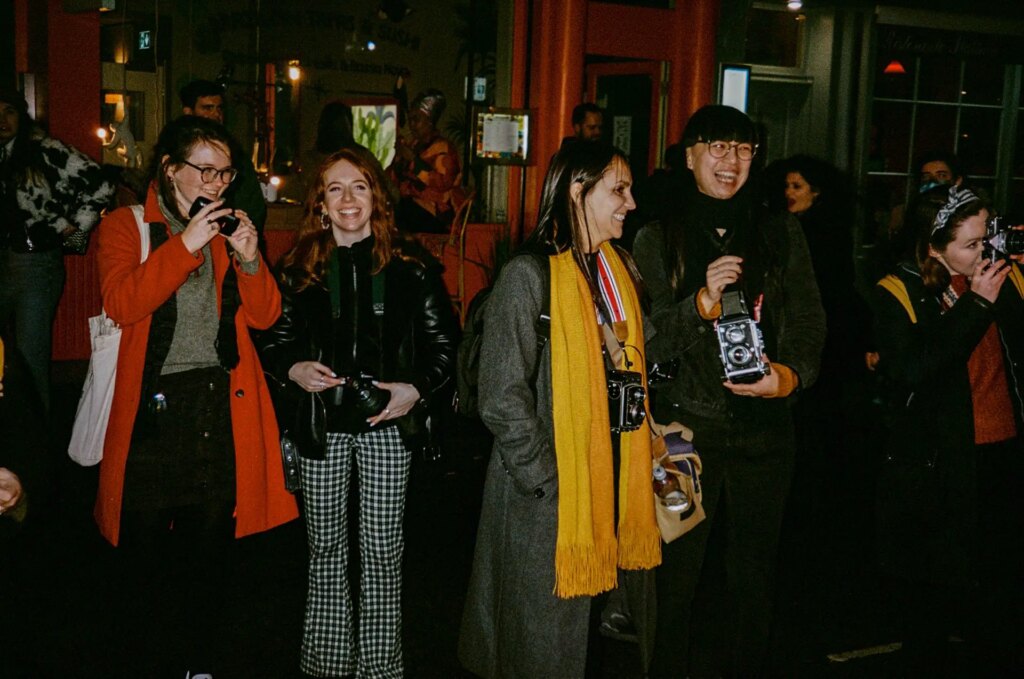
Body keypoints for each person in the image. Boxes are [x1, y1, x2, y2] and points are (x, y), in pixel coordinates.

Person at [94, 115, 298, 674]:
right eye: (204, 170)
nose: (216, 185)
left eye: (225, 173)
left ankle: (198, 662)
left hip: (217, 401)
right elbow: (122, 302)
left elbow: (264, 316)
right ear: (169, 169)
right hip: (150, 408)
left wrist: (252, 258)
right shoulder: (126, 226)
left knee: (209, 549)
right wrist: (186, 243)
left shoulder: (229, 228)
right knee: (142, 552)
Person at [632, 105, 825, 677]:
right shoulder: (654, 238)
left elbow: (811, 322)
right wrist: (699, 304)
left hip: (766, 434)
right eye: (717, 147)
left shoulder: (780, 231)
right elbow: (645, 344)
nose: (731, 161)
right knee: (675, 577)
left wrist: (787, 378)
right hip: (681, 436)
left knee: (754, 578)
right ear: (688, 154)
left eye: (742, 150)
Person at [459, 140, 661, 678]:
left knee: (598, 653)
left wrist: (704, 308)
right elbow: (500, 397)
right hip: (551, 504)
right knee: (542, 654)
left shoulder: (616, 271)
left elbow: (648, 354)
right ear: (578, 190)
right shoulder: (529, 276)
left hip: (612, 488)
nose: (631, 202)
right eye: (618, 189)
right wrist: (548, 482)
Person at [257, 146, 459, 678]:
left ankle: (379, 667)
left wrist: (413, 390)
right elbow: (272, 344)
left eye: (360, 186)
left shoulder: (412, 268)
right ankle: (325, 664)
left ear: (377, 197)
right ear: (320, 203)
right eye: (335, 188)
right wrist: (294, 368)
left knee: (383, 552)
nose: (348, 198)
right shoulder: (297, 270)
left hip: (388, 427)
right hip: (321, 428)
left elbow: (445, 348)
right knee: (324, 548)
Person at [874, 185, 1024, 675]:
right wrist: (975, 304)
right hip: (938, 462)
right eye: (972, 244)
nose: (985, 252)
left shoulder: (1008, 278)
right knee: (936, 596)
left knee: (1000, 590)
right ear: (934, 247)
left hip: (1003, 449)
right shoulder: (898, 291)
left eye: (989, 237)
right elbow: (913, 369)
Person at [0, 87, 115, 412]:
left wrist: (74, 226)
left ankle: (36, 442)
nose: (2, 120)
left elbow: (101, 183)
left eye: (9, 111)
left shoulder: (44, 149)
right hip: (4, 261)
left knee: (30, 355)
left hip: (35, 263)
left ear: (21, 116)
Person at [179, 79, 267, 233]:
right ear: (188, 112)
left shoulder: (235, 155)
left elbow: (253, 206)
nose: (215, 114)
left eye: (219, 108)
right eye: (207, 108)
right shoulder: (175, 148)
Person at [387, 88, 465, 233]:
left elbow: (443, 183)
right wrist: (398, 158)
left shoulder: (443, 147)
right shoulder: (413, 145)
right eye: (410, 119)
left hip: (435, 213)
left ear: (429, 122)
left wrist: (412, 161)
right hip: (410, 209)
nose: (411, 125)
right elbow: (394, 180)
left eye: (416, 120)